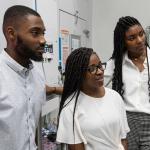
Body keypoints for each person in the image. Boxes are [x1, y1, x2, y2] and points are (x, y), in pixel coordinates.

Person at [56, 47, 130, 150]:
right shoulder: (70, 108)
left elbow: (123, 138)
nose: (100, 71)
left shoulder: (115, 97)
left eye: (100, 65)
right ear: (79, 74)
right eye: (92, 68)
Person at [0, 5, 47, 150]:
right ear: (11, 34)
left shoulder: (37, 74)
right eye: (35, 33)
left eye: (43, 33)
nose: (43, 40)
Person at [104, 16, 150, 150]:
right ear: (123, 42)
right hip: (127, 123)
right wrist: (55, 89)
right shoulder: (116, 63)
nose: (140, 40)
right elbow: (93, 86)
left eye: (141, 34)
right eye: (132, 38)